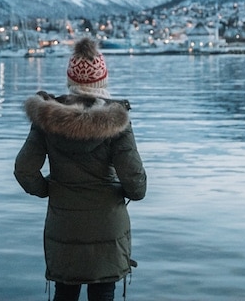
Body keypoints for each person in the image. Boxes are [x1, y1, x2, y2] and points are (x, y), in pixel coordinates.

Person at [15, 37, 147, 301]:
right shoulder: (117, 123)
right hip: (107, 229)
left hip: (64, 226)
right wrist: (116, 192)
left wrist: (49, 189)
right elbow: (137, 186)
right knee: (103, 293)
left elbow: (24, 170)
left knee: (65, 292)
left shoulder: (47, 120)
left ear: (71, 82)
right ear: (102, 82)